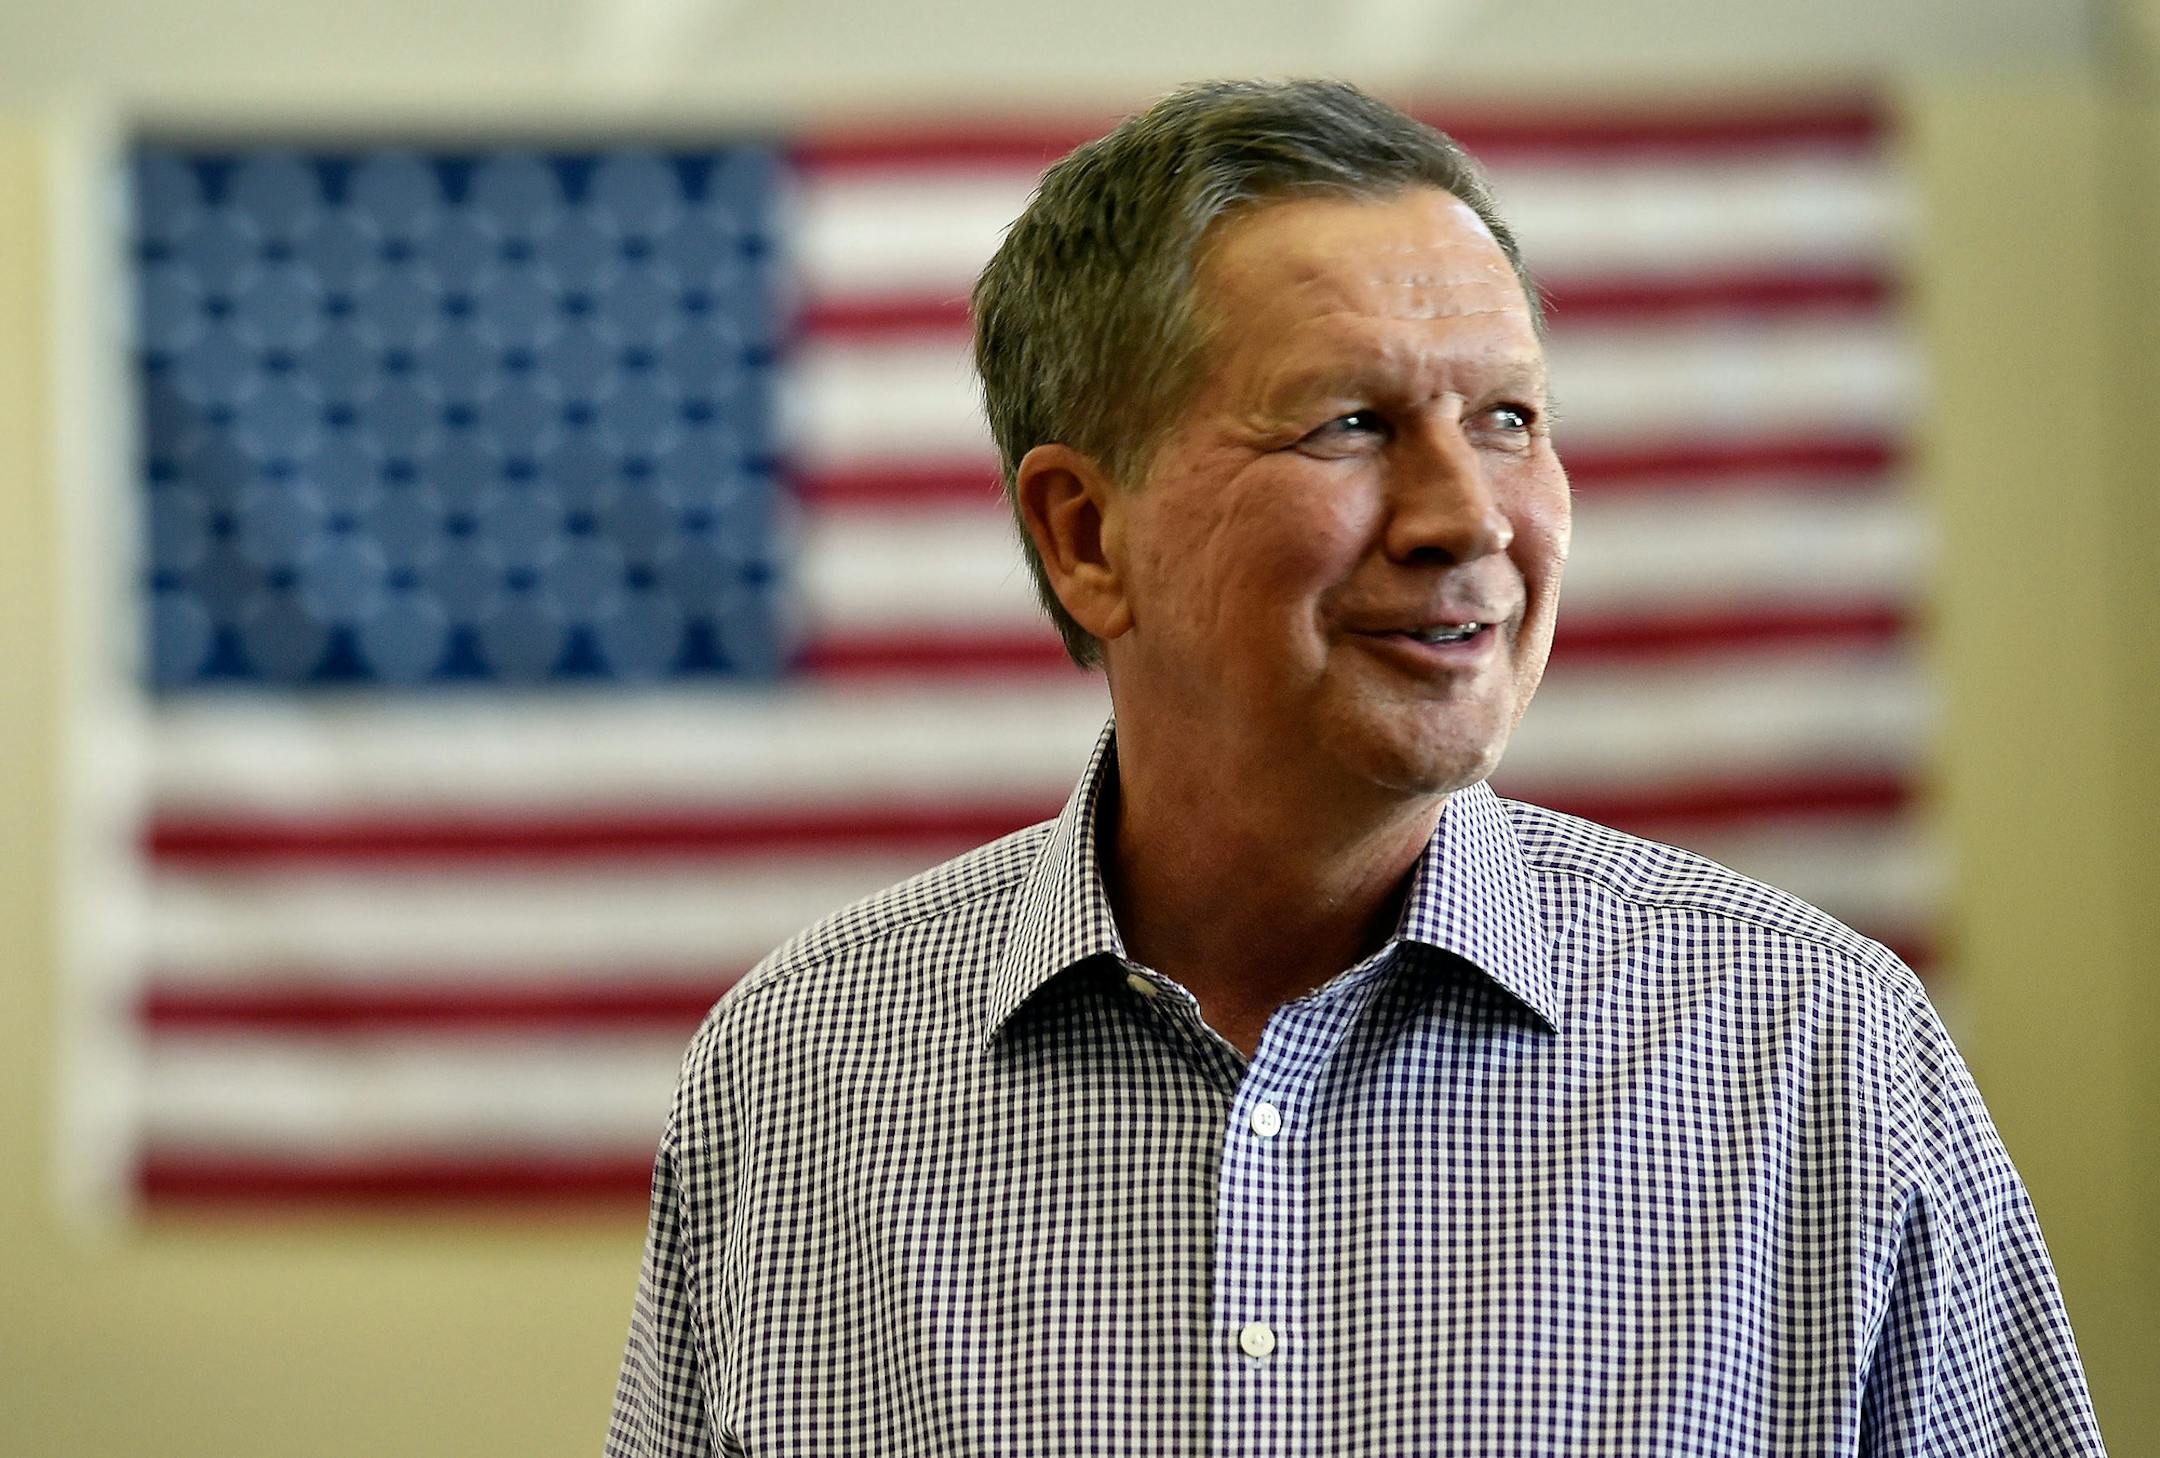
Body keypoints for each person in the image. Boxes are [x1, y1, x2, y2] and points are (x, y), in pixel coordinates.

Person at [606, 79, 2105, 1455]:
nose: (1469, 516)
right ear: (1083, 535)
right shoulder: (795, 1078)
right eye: (1353, 424)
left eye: (1508, 418)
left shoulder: (1818, 1053)